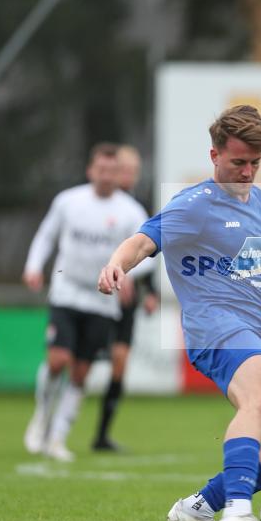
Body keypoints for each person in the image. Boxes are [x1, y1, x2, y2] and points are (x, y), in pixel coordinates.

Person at [97, 105, 261, 521]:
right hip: (216, 328)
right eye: (237, 162)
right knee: (260, 401)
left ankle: (198, 509)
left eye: (254, 163)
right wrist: (117, 264)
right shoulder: (193, 205)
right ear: (214, 156)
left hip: (259, 333)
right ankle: (237, 513)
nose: (247, 172)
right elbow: (142, 240)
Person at [22, 142, 153, 462]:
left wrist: (128, 276)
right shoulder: (69, 201)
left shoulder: (130, 211)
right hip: (66, 292)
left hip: (102, 300)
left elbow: (147, 252)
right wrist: (33, 266)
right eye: (101, 170)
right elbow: (45, 236)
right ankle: (41, 418)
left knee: (80, 373)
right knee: (57, 361)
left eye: (112, 171)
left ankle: (57, 438)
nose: (106, 176)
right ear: (91, 170)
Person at [92, 144, 160, 451]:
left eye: (134, 171)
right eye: (124, 170)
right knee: (80, 363)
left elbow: (149, 250)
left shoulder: (136, 208)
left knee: (119, 363)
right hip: (96, 294)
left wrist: (151, 291)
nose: (128, 176)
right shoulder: (95, 204)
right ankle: (56, 423)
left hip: (126, 298)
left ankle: (101, 434)